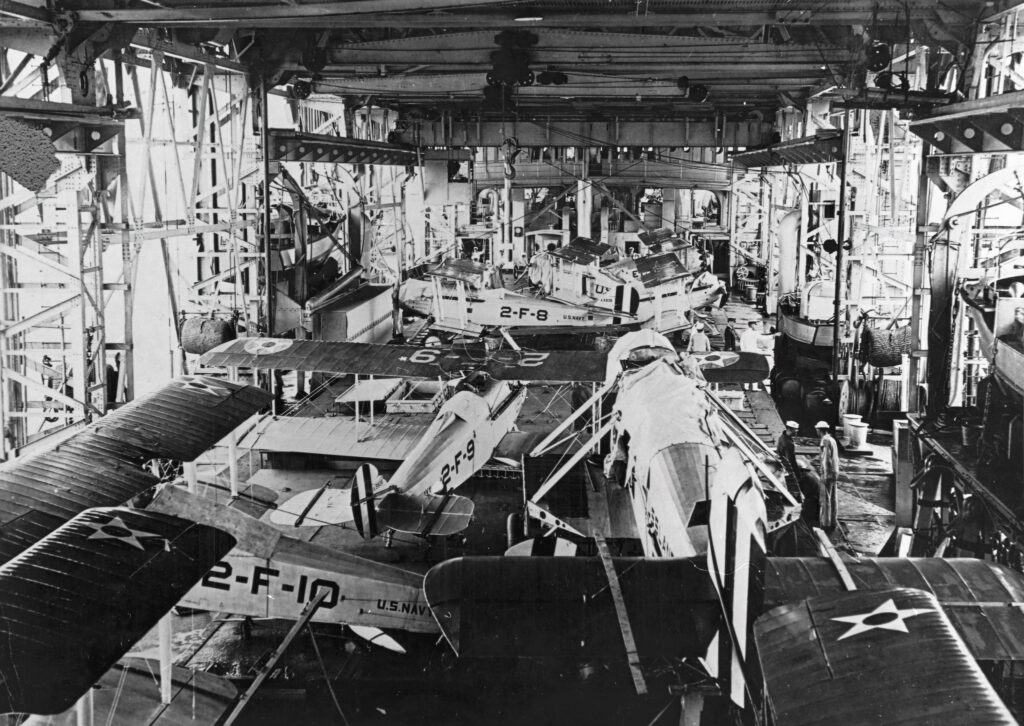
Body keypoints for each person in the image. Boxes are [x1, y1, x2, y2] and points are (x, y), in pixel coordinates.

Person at [815, 420, 839, 533]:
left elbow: (826, 459)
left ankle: (824, 524)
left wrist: (824, 475)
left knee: (825, 500)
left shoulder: (824, 441)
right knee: (833, 499)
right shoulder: (832, 440)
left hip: (827, 474)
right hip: (834, 473)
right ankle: (833, 522)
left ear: (819, 430)